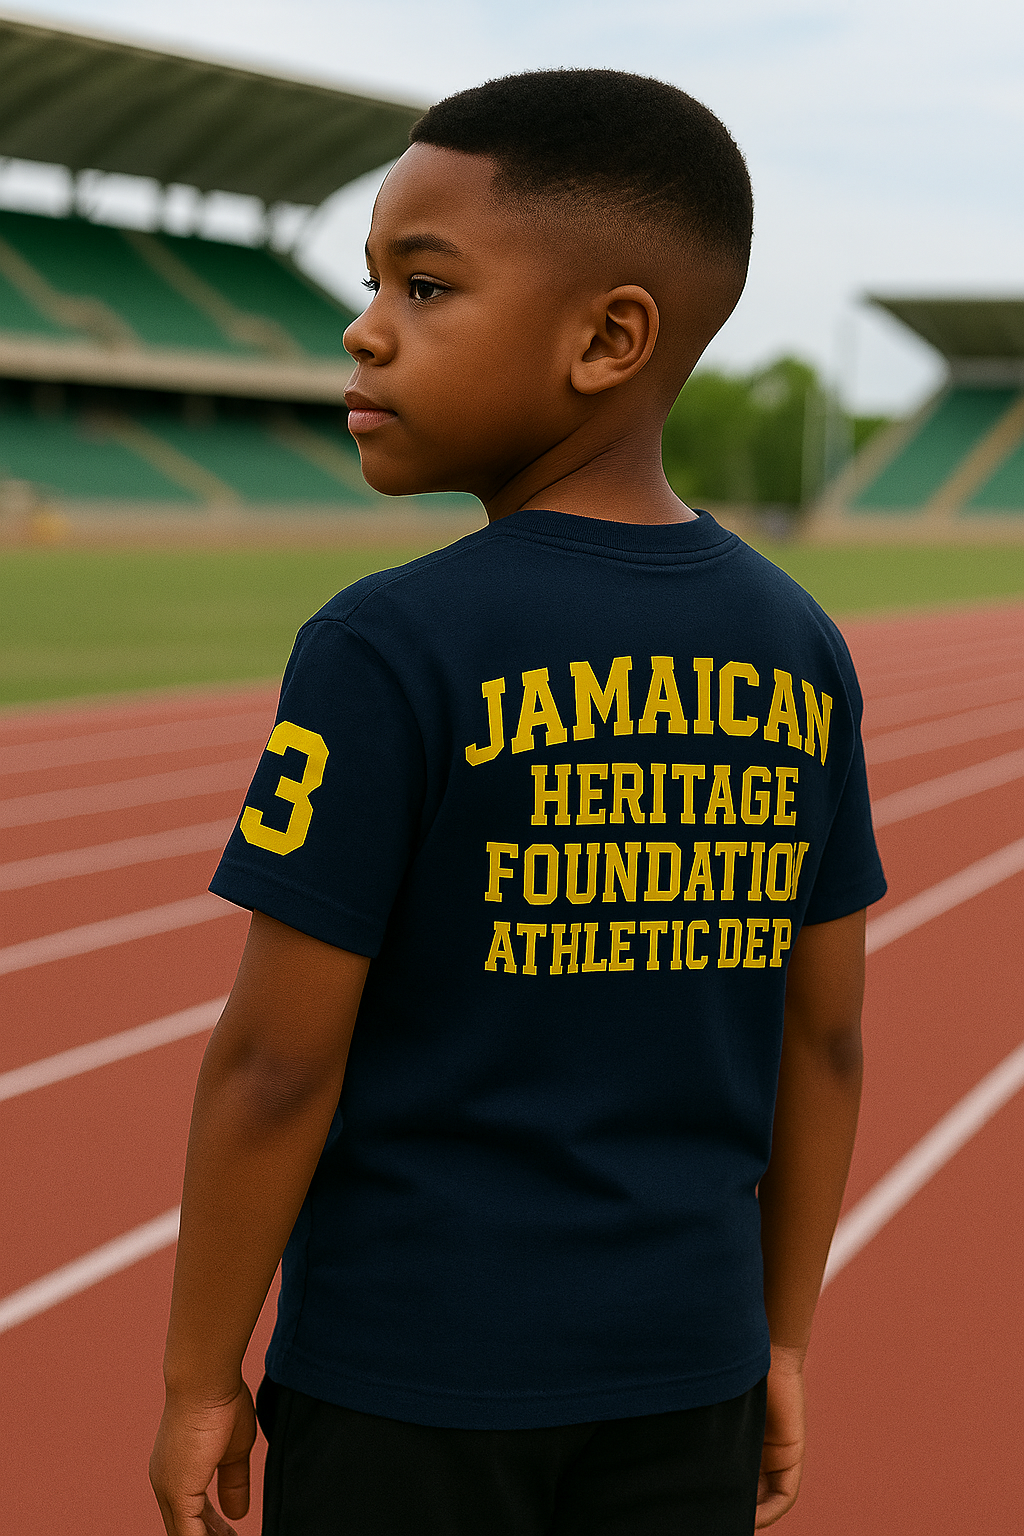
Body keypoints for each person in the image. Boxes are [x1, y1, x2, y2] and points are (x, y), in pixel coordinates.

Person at [150, 68, 886, 1536]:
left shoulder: (386, 646)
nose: (363, 327)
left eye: (424, 287)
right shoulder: (801, 646)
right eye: (373, 280)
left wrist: (194, 1379)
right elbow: (829, 1034)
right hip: (692, 1376)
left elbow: (274, 1071)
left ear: (610, 339)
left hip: (410, 1388)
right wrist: (783, 1337)